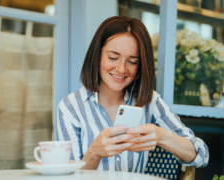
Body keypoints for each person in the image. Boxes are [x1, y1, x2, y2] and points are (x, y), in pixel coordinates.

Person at [56, 16, 209, 172]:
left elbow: (201, 155)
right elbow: (69, 176)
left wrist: (160, 136)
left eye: (132, 61)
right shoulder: (70, 107)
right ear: (97, 56)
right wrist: (94, 153)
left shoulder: (150, 101)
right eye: (113, 57)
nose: (121, 69)